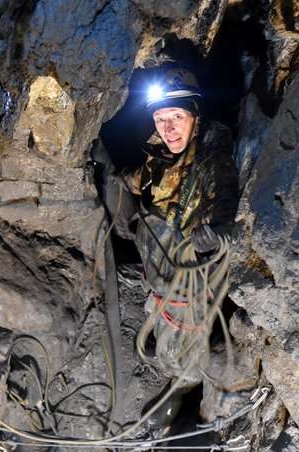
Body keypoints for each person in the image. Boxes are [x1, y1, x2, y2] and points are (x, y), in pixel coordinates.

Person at [93, 66, 240, 427]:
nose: (168, 128)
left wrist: (218, 235)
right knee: (158, 325)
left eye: (177, 116)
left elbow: (234, 220)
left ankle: (183, 388)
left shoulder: (212, 161)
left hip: (188, 285)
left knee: (177, 350)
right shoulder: (159, 152)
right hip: (158, 270)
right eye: (161, 118)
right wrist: (103, 160)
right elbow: (136, 182)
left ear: (195, 115)